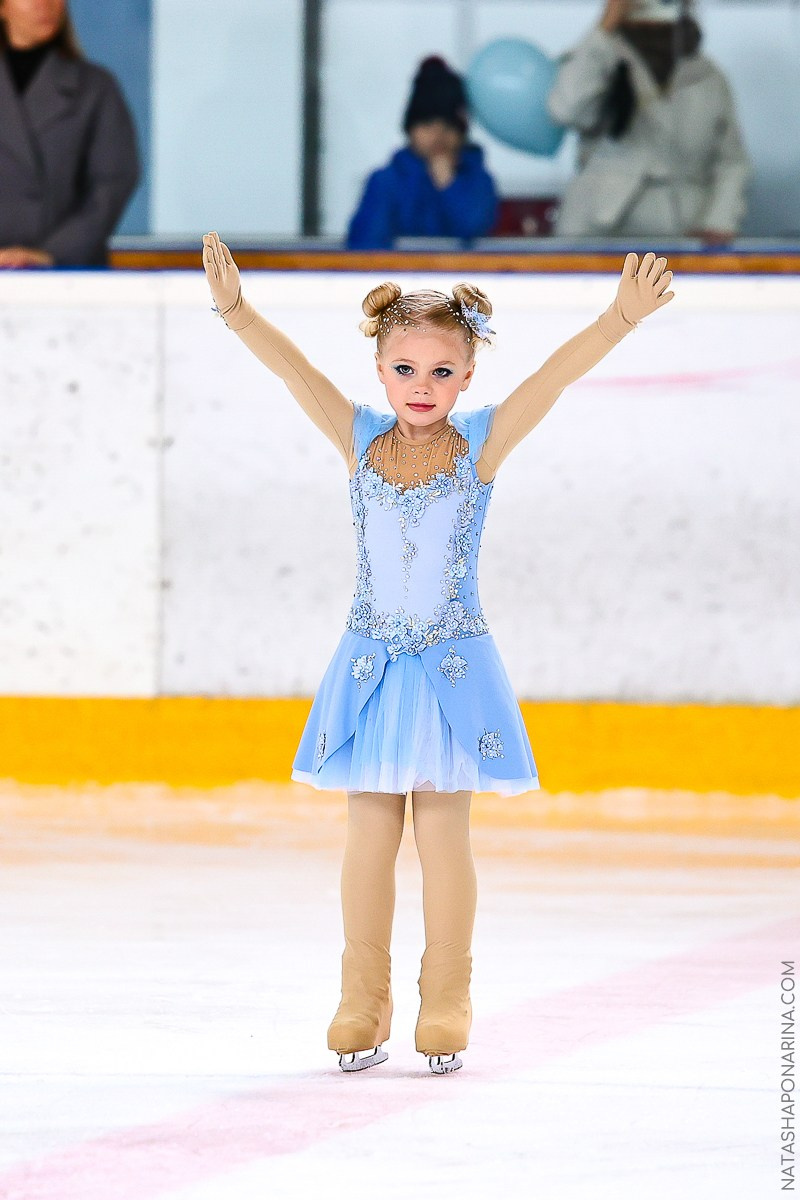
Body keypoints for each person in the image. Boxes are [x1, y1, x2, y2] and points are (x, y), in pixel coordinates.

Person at [201, 229, 675, 1074]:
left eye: (444, 371)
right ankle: (362, 998)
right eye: (407, 370)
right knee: (369, 835)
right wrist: (236, 310)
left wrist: (618, 319)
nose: (424, 387)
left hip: (454, 670)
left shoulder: (480, 446)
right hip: (373, 668)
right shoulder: (357, 438)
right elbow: (295, 371)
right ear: (382, 371)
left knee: (445, 837)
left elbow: (552, 382)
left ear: (469, 374)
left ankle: (448, 995)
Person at [547, 0, 752, 245]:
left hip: (683, 230)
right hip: (600, 227)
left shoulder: (709, 77)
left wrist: (718, 222)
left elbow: (731, 161)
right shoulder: (600, 56)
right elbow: (565, 109)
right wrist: (605, 26)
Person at [0, 0, 140, 268]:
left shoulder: (95, 88)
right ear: (3, 8)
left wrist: (52, 253)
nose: (46, 5)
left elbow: (113, 182)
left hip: (69, 272)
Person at [346, 55, 498, 250]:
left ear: (461, 133)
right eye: (427, 124)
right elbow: (365, 248)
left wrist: (449, 186)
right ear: (411, 130)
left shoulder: (478, 181)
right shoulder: (386, 182)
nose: (438, 135)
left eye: (449, 126)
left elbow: (474, 229)